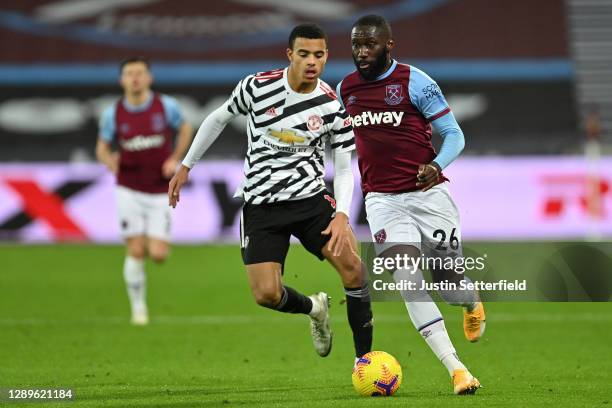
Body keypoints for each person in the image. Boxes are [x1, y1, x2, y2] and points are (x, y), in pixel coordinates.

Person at [168, 23, 373, 361]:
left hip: (311, 202)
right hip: (262, 205)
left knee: (354, 268)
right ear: (290, 54)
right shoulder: (257, 87)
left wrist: (342, 215)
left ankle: (364, 361)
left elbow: (345, 167)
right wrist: (186, 165)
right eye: (304, 54)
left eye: (318, 55)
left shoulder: (331, 105)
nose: (311, 61)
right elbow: (218, 118)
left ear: (326, 57)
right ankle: (315, 309)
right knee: (266, 294)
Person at [336, 15, 485, 394]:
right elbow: (336, 143)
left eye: (369, 44)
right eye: (356, 44)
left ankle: (470, 303)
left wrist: (435, 165)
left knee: (450, 286)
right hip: (382, 201)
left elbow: (454, 134)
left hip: (429, 197)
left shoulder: (414, 82)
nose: (361, 52)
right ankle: (457, 370)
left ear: (389, 45)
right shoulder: (346, 89)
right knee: (408, 280)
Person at [96, 57, 193, 325]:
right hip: (128, 187)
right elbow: (102, 147)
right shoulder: (113, 113)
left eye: (140, 73)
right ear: (122, 80)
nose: (135, 78)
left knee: (158, 254)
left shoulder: (166, 106)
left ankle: (155, 244)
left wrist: (175, 157)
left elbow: (185, 128)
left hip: (160, 189)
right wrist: (109, 160)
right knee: (136, 250)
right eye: (130, 73)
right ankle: (138, 310)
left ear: (149, 78)